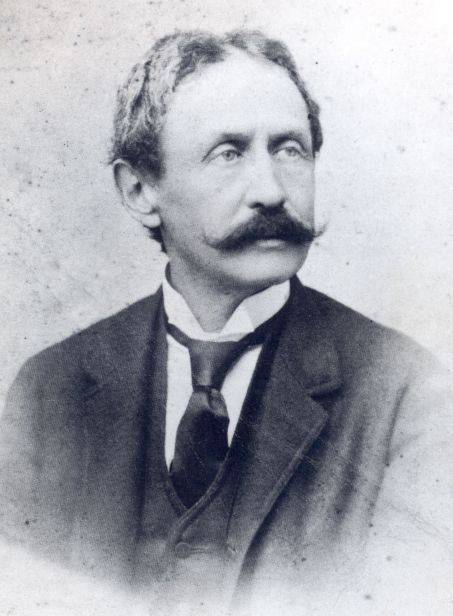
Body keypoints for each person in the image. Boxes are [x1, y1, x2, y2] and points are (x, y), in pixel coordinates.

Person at [0, 29, 452, 615]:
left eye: (290, 150)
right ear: (139, 190)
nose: (271, 191)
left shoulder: (408, 394)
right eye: (229, 153)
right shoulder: (50, 390)